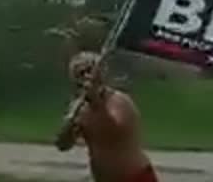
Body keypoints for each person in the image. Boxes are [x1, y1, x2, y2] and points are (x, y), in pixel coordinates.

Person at [54, 51, 158, 182]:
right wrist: (68, 128)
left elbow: (115, 131)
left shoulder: (119, 100)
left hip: (135, 176)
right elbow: (63, 145)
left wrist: (97, 103)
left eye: (89, 71)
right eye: (80, 73)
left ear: (100, 73)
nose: (86, 76)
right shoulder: (79, 107)